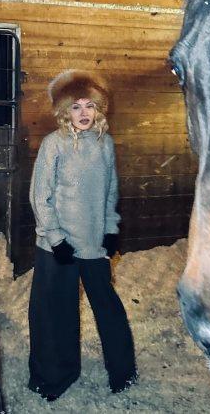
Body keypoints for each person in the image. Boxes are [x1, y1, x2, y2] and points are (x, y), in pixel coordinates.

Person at [27, 69, 136, 401]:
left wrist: (111, 229)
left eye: (90, 106)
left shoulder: (105, 144)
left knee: (109, 308)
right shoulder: (54, 144)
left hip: (92, 243)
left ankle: (122, 372)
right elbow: (39, 196)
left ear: (99, 109)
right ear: (63, 111)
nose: (84, 113)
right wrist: (56, 239)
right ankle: (56, 375)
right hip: (57, 246)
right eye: (76, 107)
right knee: (54, 312)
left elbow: (110, 192)